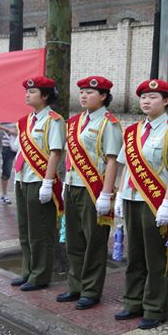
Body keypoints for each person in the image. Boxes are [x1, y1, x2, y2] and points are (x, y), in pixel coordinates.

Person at [113, 79, 168, 330]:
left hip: (156, 202)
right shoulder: (132, 131)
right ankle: (133, 301)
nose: (146, 101)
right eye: (143, 96)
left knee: (157, 257)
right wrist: (120, 195)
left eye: (153, 97)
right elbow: (127, 168)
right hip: (132, 199)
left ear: (166, 101)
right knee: (135, 255)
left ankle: (156, 307)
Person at [58, 76, 123, 310]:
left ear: (103, 96)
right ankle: (75, 286)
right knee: (74, 241)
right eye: (82, 92)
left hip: (94, 190)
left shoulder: (109, 123)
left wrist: (106, 194)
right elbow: (69, 157)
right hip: (73, 186)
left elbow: (113, 160)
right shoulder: (74, 122)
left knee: (94, 242)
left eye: (90, 92)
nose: (84, 96)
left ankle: (91, 291)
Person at [11, 76, 65, 292]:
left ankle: (40, 275)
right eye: (27, 91)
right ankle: (27, 271)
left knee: (40, 231)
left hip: (39, 181)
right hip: (22, 179)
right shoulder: (25, 121)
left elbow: (55, 152)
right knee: (25, 229)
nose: (27, 94)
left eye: (32, 92)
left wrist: (48, 182)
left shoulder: (54, 120)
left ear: (45, 96)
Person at [0, 121, 18, 205]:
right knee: (6, 170)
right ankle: (4, 195)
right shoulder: (4, 113)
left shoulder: (21, 113)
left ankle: (21, 194)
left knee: (22, 170)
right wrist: (8, 129)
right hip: (7, 146)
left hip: (21, 145)